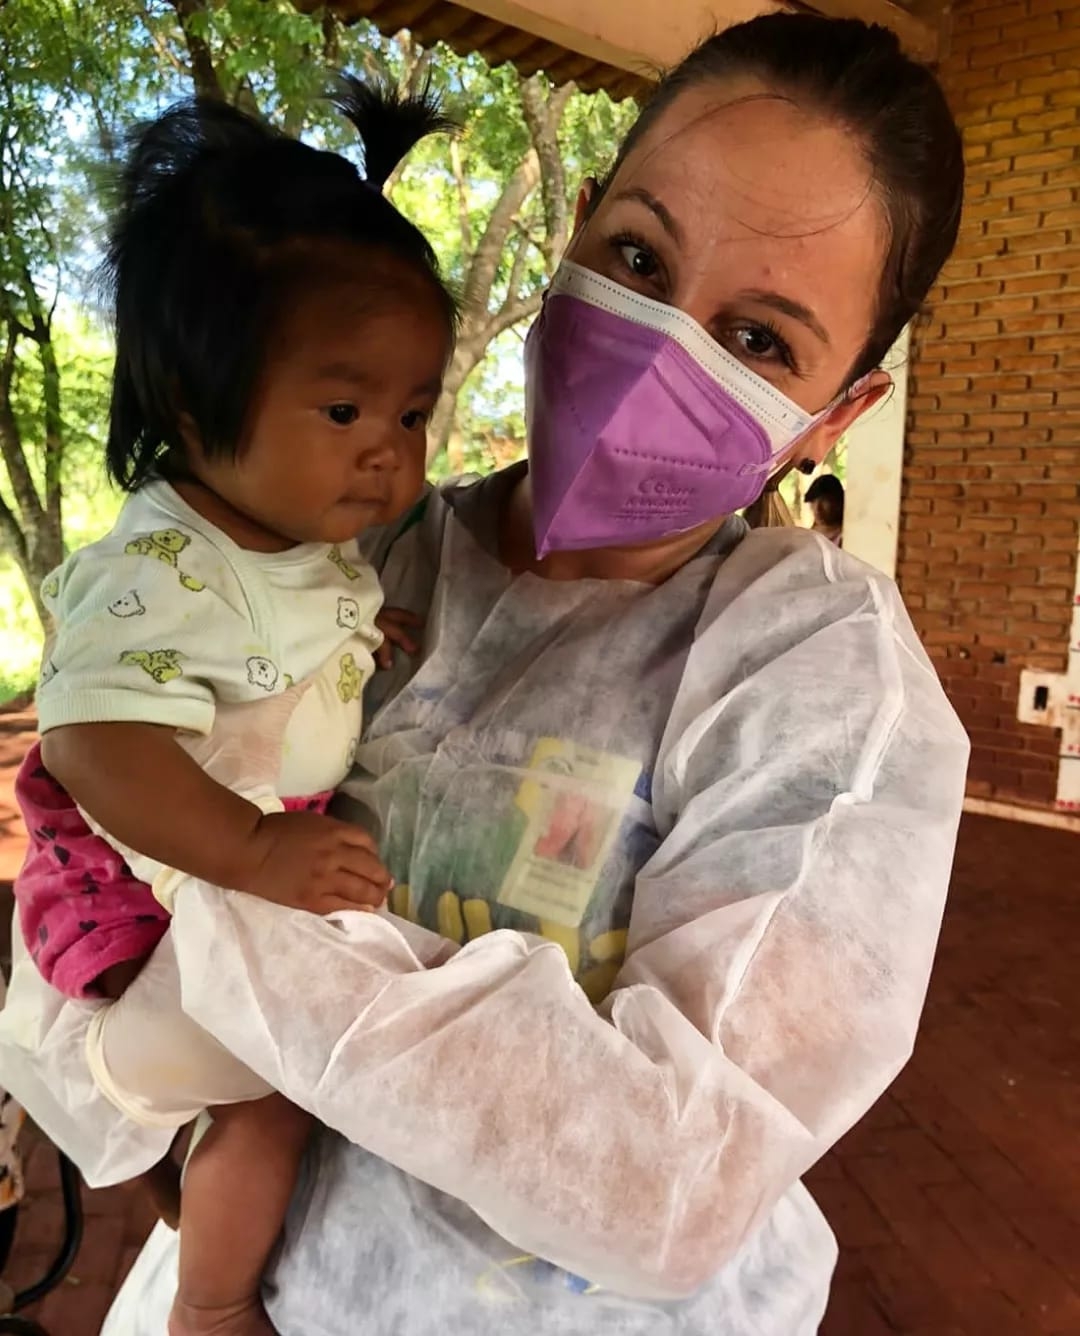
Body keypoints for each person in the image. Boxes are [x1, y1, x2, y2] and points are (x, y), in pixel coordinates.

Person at [0, 13, 970, 1335]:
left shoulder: (818, 684)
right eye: (637, 255)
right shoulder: (340, 554)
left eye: (758, 338)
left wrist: (228, 952)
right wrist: (127, 1068)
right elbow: (81, 923)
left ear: (840, 411)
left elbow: (669, 1181)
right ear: (572, 228)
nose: (659, 347)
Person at [5, 82, 456, 1336]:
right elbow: (94, 739)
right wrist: (253, 850)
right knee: (273, 1091)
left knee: (257, 1084)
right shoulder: (161, 564)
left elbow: (293, 638)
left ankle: (182, 1191)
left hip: (231, 878)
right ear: (198, 411)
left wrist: (371, 640)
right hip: (140, 880)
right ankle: (208, 1304)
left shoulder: (302, 540)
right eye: (346, 409)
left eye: (414, 410)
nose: (391, 451)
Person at [805, 473, 846, 545]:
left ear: (838, 502)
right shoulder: (807, 536)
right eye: (813, 502)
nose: (817, 508)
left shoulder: (846, 537)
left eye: (824, 501)